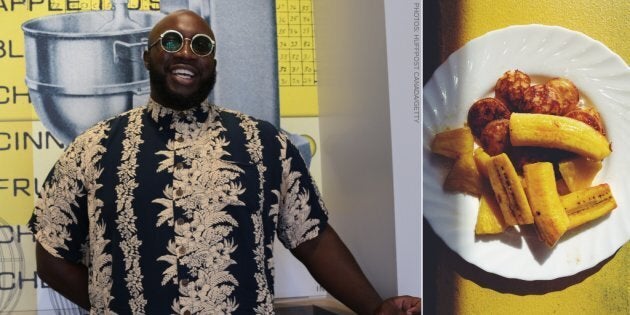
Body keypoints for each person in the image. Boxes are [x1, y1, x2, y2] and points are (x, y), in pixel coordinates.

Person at [29, 10, 421, 315]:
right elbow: (50, 254)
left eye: (201, 45)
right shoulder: (92, 148)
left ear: (213, 63)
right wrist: (111, 302)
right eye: (171, 41)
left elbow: (313, 239)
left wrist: (374, 307)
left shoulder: (266, 144)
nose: (186, 52)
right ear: (148, 57)